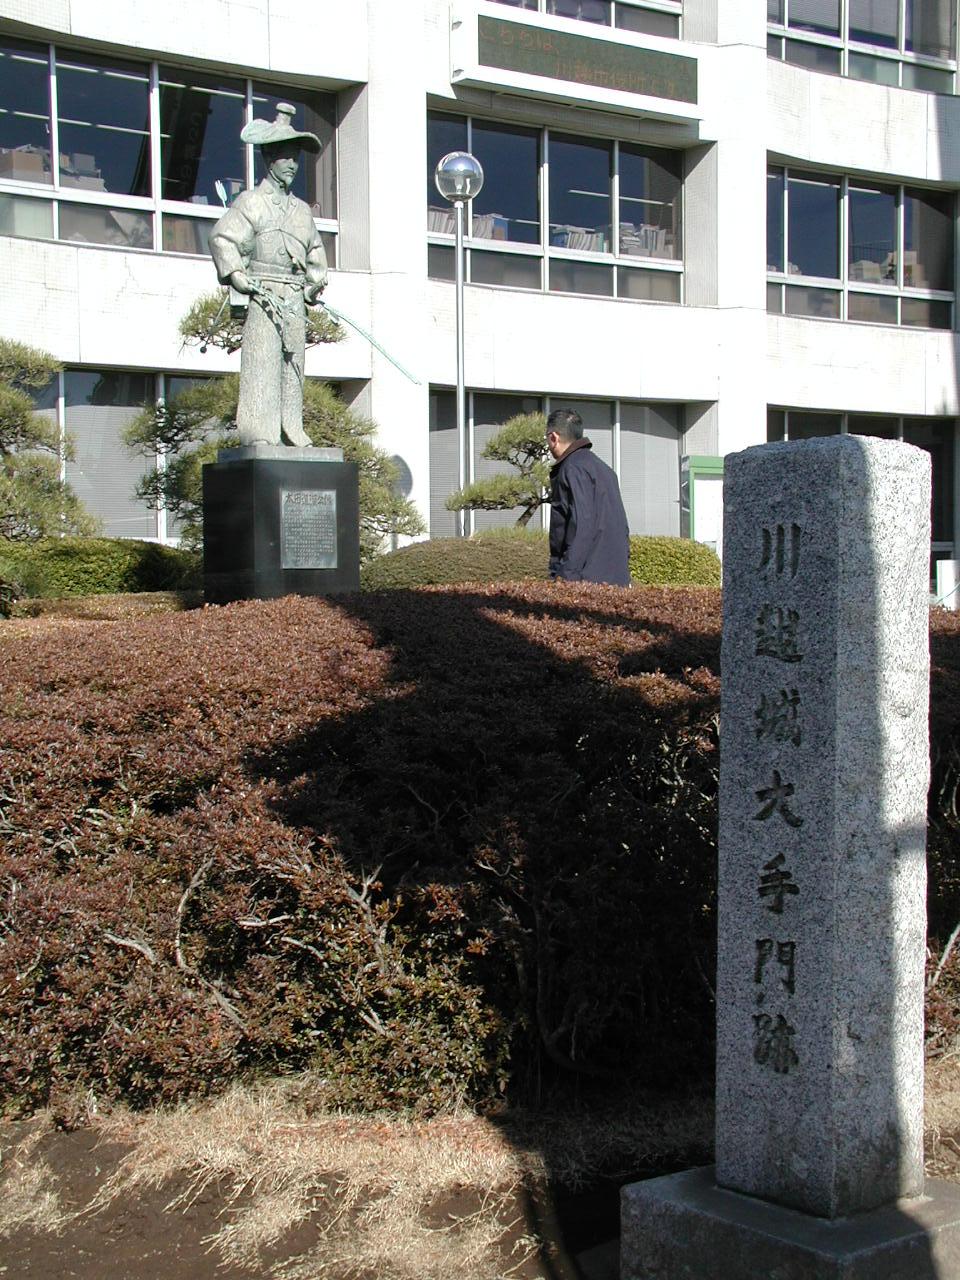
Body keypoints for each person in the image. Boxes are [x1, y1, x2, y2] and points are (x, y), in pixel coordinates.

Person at [209, 103, 328, 447]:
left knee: (293, 363)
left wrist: (314, 283)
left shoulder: (301, 210)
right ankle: (259, 432)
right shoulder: (250, 201)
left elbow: (315, 251)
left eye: (296, 158)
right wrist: (236, 273)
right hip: (263, 292)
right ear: (269, 158)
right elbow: (222, 238)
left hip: (294, 295)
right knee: (262, 360)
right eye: (286, 157)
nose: (292, 164)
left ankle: (293, 427)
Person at [546, 408, 631, 586]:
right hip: (616, 577)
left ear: (554, 438)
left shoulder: (572, 468)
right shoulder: (605, 469)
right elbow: (622, 526)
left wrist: (565, 577)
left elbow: (581, 526)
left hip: (585, 581)